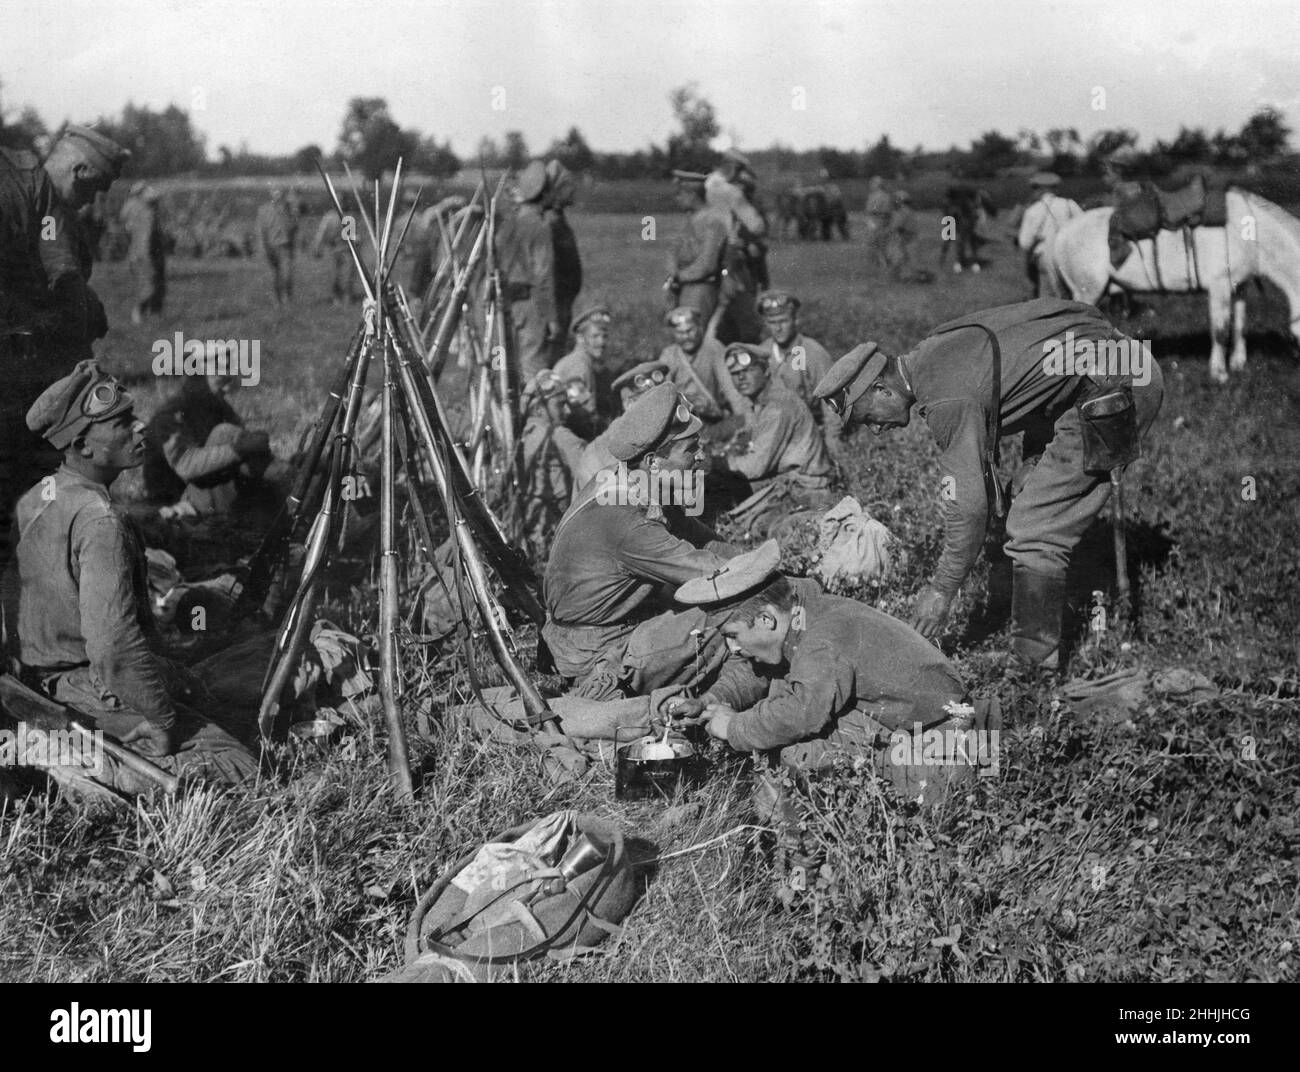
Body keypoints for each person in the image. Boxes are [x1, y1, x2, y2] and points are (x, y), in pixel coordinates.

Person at [812, 298, 1165, 673]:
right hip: (1095, 372)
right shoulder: (932, 350)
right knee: (1024, 496)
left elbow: (969, 507)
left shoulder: (947, 398)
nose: (876, 429)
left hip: (1116, 386)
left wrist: (941, 590)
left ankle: (1032, 671)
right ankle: (1020, 626)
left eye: (869, 418)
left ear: (883, 389)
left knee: (1033, 528)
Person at [9, 362, 258, 790]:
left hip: (36, 681)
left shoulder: (38, 497)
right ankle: (86, 765)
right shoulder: (102, 521)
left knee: (201, 688)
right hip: (87, 683)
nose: (140, 427)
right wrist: (160, 719)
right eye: (121, 422)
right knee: (238, 764)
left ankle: (65, 743)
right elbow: (114, 645)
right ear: (83, 445)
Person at [673, 567, 979, 817]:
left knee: (795, 761)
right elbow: (758, 667)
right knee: (786, 752)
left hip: (941, 737)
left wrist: (734, 726)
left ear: (766, 618)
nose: (733, 648)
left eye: (733, 636)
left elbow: (800, 713)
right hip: (902, 717)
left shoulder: (821, 638)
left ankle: (801, 874)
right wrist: (711, 700)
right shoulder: (797, 611)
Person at [541, 384, 765, 704]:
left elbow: (699, 537)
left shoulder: (628, 478)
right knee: (725, 613)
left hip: (593, 631)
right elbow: (712, 572)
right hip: (595, 653)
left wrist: (749, 557)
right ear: (654, 461)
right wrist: (770, 573)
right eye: (691, 449)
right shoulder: (627, 519)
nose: (700, 456)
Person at [1, 124, 128, 577]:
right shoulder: (40, 197)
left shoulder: (26, 188)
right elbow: (64, 285)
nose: (91, 202)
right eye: (91, 188)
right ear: (78, 169)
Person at [711, 344, 835, 519]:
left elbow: (754, 467)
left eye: (749, 370)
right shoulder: (760, 402)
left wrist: (716, 462)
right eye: (735, 373)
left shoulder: (778, 407)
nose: (741, 378)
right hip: (790, 483)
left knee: (737, 523)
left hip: (807, 491)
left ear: (766, 370)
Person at [142, 371, 281, 522]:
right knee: (224, 434)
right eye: (220, 379)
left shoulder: (215, 405)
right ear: (197, 376)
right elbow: (185, 465)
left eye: (229, 378)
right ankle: (286, 480)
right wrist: (240, 448)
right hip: (177, 504)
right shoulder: (171, 413)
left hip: (204, 494)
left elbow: (244, 444)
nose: (227, 388)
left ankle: (286, 481)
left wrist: (253, 443)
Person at [495, 160, 560, 383]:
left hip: (502, 306)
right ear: (544, 193)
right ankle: (535, 417)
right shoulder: (540, 227)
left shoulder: (507, 225)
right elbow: (543, 277)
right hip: (529, 306)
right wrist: (551, 318)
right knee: (534, 373)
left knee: (505, 375)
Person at [755, 290, 841, 442]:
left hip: (810, 429)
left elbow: (831, 404)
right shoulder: (762, 351)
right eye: (773, 323)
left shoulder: (813, 352)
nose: (778, 328)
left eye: (783, 321)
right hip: (773, 429)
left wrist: (832, 446)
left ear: (795, 321)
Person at [665, 171, 729, 335]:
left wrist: (679, 277)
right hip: (681, 287)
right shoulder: (688, 220)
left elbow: (707, 265)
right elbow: (674, 250)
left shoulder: (713, 222)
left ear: (692, 195)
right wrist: (673, 275)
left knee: (694, 335)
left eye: (679, 194)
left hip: (701, 289)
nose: (677, 199)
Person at [657, 306, 738, 420]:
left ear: (700, 328)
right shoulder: (669, 355)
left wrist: (745, 420)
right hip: (682, 418)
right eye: (680, 333)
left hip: (712, 418)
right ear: (673, 334)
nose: (686, 337)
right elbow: (662, 394)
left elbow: (731, 389)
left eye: (690, 330)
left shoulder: (713, 348)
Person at [1017, 173, 1081, 298]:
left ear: (1039, 189)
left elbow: (1025, 243)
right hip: (1070, 257)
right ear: (1055, 189)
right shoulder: (1070, 204)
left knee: (1048, 296)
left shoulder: (1032, 210)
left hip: (1044, 258)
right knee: (1072, 294)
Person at [552, 299, 612, 426]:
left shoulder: (584, 363)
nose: (601, 342)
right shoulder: (578, 365)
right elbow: (583, 414)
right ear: (580, 338)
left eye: (605, 336)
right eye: (595, 336)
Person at [544, 159, 582, 348]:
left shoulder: (558, 219)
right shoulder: (551, 222)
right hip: (556, 299)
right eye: (567, 186)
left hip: (564, 298)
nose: (572, 191)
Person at [122, 184, 167, 323]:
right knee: (149, 285)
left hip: (149, 253)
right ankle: (140, 311)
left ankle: (154, 313)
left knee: (157, 284)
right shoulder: (145, 214)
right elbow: (144, 240)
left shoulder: (145, 212)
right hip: (144, 254)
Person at [311, 208, 363, 304]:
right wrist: (318, 246)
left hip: (345, 250)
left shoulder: (348, 216)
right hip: (335, 250)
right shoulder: (331, 217)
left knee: (346, 274)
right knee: (336, 274)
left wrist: (356, 241)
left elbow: (355, 235)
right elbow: (322, 233)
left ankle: (346, 296)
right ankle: (338, 296)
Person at [256, 187, 298, 305]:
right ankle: (277, 301)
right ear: (271, 194)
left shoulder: (289, 209)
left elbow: (295, 228)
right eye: (275, 192)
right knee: (274, 276)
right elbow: (260, 231)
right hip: (271, 247)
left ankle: (287, 299)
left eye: (280, 192)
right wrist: (263, 248)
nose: (278, 195)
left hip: (285, 247)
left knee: (287, 274)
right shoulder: (263, 210)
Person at [886, 190, 918, 281]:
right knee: (907, 258)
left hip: (904, 236)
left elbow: (895, 226)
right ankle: (906, 276)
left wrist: (888, 231)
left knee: (897, 257)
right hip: (909, 236)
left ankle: (899, 276)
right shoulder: (910, 211)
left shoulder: (902, 211)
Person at [864, 175, 893, 270]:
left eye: (872, 183)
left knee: (880, 245)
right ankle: (878, 264)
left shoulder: (883, 196)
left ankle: (883, 264)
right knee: (874, 244)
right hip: (873, 221)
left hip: (878, 222)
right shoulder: (874, 195)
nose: (870, 185)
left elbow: (885, 212)